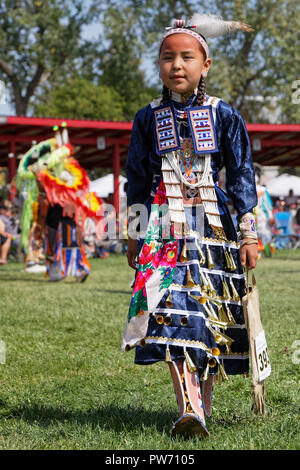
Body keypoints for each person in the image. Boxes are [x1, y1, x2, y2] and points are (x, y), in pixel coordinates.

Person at [122, 14, 258, 439]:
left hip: (213, 230)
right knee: (168, 309)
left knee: (209, 315)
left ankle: (202, 406)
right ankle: (191, 408)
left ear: (206, 64)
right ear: (158, 65)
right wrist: (133, 231)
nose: (176, 65)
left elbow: (240, 175)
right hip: (162, 229)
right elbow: (138, 178)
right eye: (167, 58)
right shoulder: (147, 118)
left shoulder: (224, 115)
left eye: (186, 57)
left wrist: (249, 232)